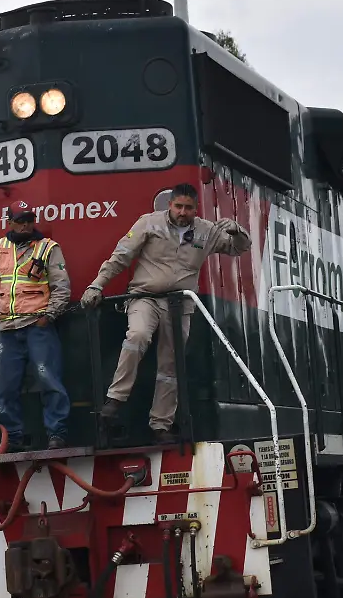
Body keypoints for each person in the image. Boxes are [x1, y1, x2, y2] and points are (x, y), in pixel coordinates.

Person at [80, 183, 251, 444]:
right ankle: (114, 400)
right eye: (178, 206)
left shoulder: (207, 231)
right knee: (137, 336)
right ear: (170, 205)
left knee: (171, 363)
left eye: (189, 208)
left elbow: (240, 248)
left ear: (196, 209)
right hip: (144, 297)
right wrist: (96, 285)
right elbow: (120, 258)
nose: (183, 212)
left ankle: (161, 424)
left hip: (180, 304)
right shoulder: (148, 223)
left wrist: (236, 230)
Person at [0, 200, 71, 450]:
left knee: (49, 380)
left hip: (38, 326)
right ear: (10, 223)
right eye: (20, 221)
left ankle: (57, 434)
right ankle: (13, 438)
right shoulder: (0, 248)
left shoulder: (48, 248)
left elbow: (62, 287)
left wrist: (48, 316)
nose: (25, 225)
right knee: (6, 388)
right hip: (8, 329)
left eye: (29, 219)